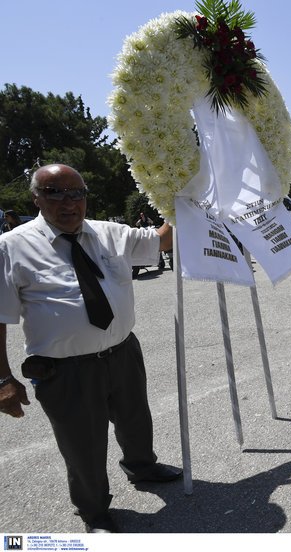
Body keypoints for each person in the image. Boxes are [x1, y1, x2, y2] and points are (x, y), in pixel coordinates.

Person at [0, 164, 180, 533]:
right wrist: (3, 379)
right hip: (65, 370)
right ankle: (94, 510)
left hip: (122, 352)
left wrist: (181, 202)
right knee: (82, 445)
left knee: (135, 420)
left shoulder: (109, 232)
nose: (69, 202)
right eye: (55, 192)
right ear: (36, 199)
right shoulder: (11, 247)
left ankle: (142, 467)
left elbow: (163, 241)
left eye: (77, 193)